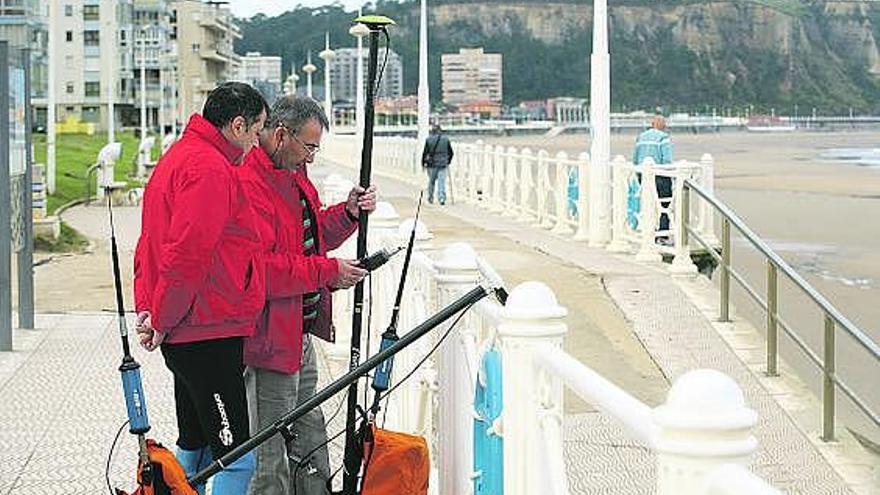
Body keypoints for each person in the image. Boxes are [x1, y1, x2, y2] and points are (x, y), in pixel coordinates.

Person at [133, 82, 269, 495]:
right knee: (236, 458)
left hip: (190, 326)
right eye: (256, 130)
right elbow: (185, 255)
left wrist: (151, 310)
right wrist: (161, 317)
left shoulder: (180, 156)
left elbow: (149, 245)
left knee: (195, 444)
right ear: (238, 125)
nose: (257, 143)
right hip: (206, 329)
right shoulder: (209, 168)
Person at [238, 95, 376, 495]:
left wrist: (348, 213)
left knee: (310, 435)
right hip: (267, 340)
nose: (312, 158)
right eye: (310, 146)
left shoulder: (293, 172)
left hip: (298, 333)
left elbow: (311, 241)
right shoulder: (250, 181)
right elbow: (262, 270)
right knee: (270, 450)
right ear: (281, 134)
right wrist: (329, 272)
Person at [631, 115, 673, 240]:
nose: (665, 126)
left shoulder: (641, 137)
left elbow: (635, 159)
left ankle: (647, 231)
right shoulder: (663, 138)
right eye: (664, 124)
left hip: (643, 176)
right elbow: (666, 160)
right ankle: (662, 235)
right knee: (665, 204)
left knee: (648, 204)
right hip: (659, 175)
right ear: (660, 125)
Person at [421, 124, 454, 205]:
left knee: (431, 182)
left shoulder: (429, 140)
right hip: (443, 164)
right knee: (441, 182)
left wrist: (423, 163)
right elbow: (451, 152)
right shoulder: (445, 139)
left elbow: (425, 153)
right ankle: (441, 198)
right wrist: (448, 161)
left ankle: (430, 197)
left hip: (431, 164)